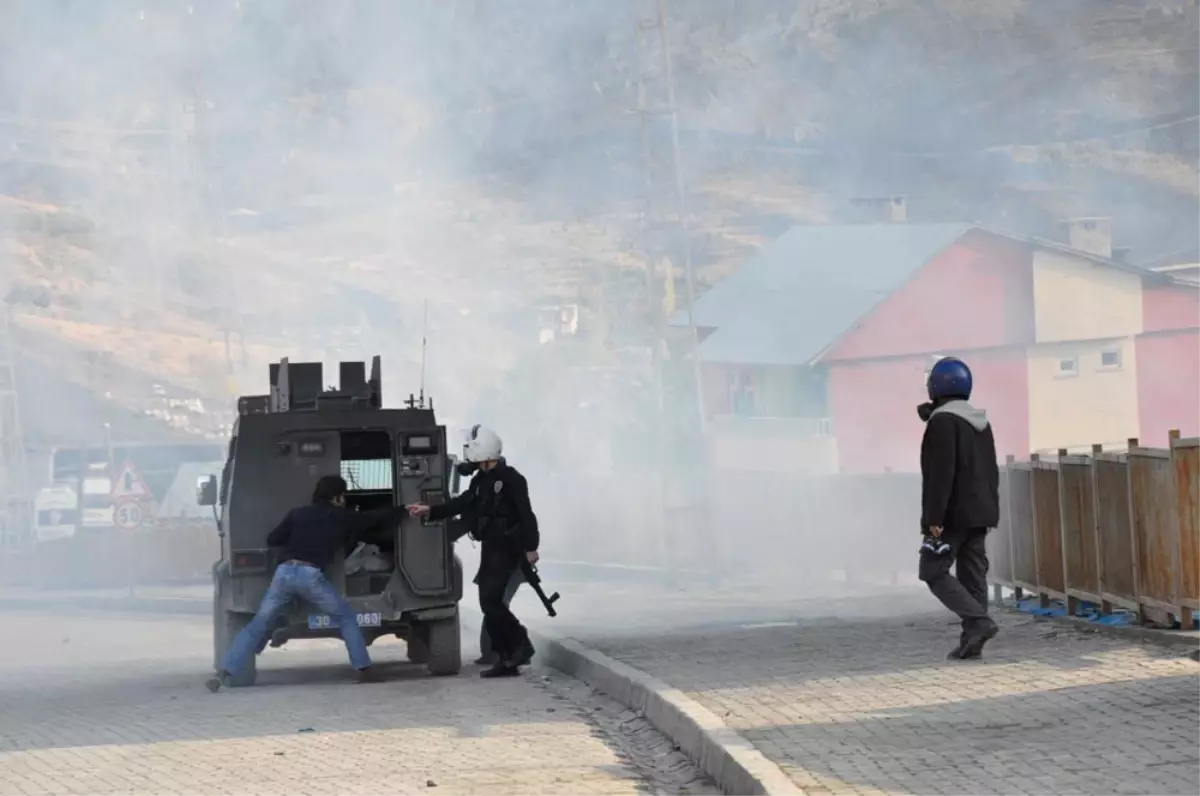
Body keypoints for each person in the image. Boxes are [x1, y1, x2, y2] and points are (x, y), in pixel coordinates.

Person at [206, 474, 407, 691]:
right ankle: (363, 670)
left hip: (284, 573)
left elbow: (273, 539)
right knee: (346, 618)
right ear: (337, 497)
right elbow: (371, 518)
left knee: (257, 624)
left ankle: (225, 672)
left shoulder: (297, 513)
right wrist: (404, 510)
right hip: (309, 576)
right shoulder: (339, 517)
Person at [409, 425, 539, 678]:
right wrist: (430, 511)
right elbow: (460, 504)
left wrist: (531, 546)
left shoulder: (512, 478)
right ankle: (506, 658)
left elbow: (526, 514)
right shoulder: (480, 481)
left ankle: (520, 646)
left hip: (508, 546)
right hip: (490, 546)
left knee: (492, 600)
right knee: (487, 602)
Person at [916, 357, 1001, 661]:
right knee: (973, 576)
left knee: (932, 570)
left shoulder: (942, 422)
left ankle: (979, 622)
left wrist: (933, 519)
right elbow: (990, 471)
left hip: (952, 514)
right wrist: (991, 511)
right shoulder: (980, 422)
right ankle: (972, 641)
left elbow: (940, 475)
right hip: (981, 513)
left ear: (936, 386)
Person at [456, 455, 523, 666]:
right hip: (496, 558)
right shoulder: (484, 493)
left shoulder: (503, 493)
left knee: (495, 604)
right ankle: (498, 652)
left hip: (509, 558)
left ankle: (503, 652)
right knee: (493, 604)